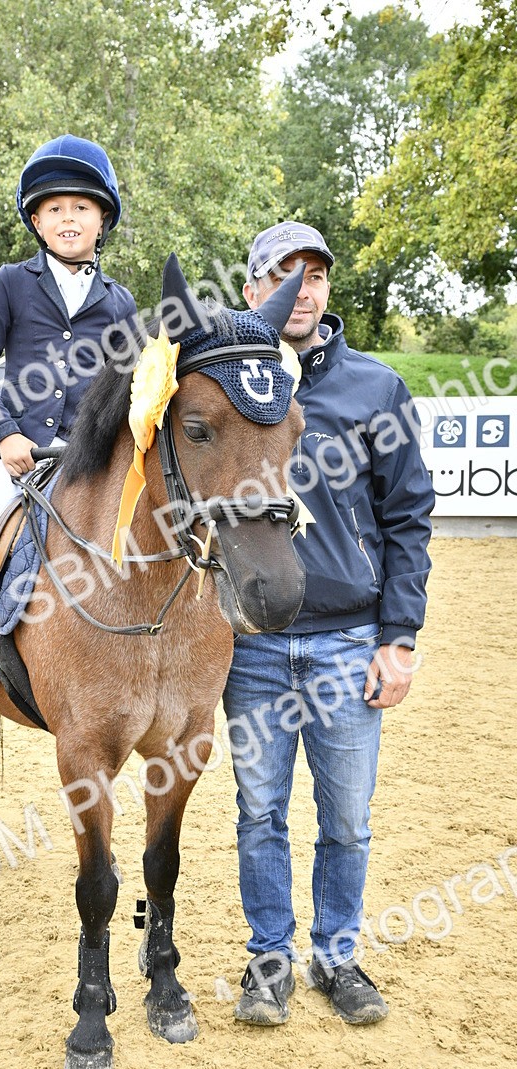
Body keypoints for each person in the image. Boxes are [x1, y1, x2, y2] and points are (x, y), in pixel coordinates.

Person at [223, 220, 434, 1026]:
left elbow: (410, 517)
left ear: (327, 290)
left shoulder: (375, 388)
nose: (299, 290)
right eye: (282, 275)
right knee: (260, 812)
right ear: (253, 292)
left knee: (346, 819)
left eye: (313, 276)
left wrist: (400, 638)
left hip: (351, 641)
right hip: (255, 644)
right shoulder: (224, 386)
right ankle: (268, 961)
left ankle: (337, 958)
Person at [0, 134, 137, 702]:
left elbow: (128, 384)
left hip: (91, 455)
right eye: (54, 209)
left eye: (80, 208)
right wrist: (5, 435)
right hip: (21, 455)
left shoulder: (119, 302)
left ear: (102, 221)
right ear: (37, 222)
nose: (67, 218)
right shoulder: (11, 284)